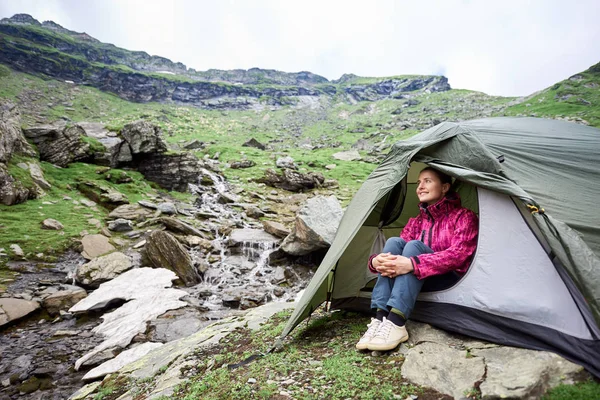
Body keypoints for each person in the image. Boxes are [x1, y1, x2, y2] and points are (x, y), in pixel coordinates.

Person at [356, 167, 479, 351]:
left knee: (414, 246)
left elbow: (459, 256)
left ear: (445, 187)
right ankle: (380, 319)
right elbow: (396, 256)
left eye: (427, 181)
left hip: (450, 280)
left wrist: (414, 263)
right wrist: (375, 262)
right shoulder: (416, 222)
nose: (420, 187)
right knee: (394, 242)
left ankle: (397, 322)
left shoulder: (464, 217)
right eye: (419, 182)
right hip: (416, 280)